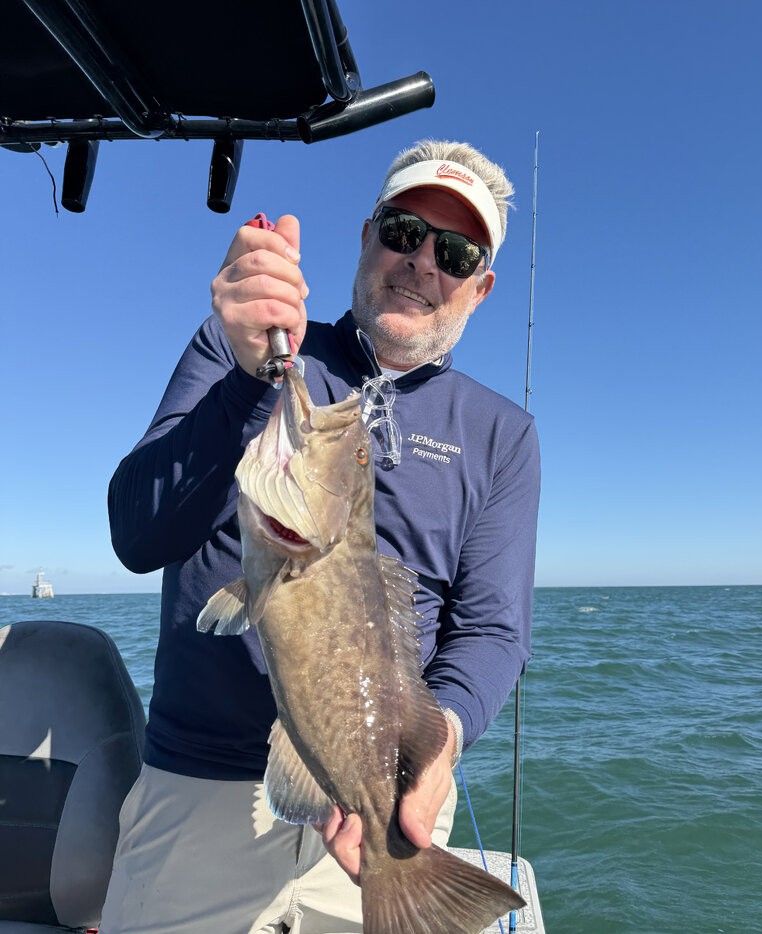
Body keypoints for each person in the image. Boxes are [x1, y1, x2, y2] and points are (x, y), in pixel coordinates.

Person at [100, 139, 540, 934]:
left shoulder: (503, 434)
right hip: (198, 790)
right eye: (404, 232)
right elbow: (138, 533)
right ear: (368, 233)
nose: (421, 262)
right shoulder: (250, 348)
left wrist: (437, 744)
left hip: (392, 796)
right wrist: (241, 379)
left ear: (482, 285)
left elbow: (495, 629)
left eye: (455, 250)